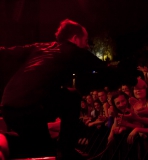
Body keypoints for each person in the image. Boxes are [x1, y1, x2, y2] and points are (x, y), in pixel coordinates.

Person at [1, 19, 107, 159]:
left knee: (42, 148)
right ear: (75, 39)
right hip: (28, 107)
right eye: (85, 40)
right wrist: (132, 79)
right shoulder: (71, 51)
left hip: (8, 105)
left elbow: (9, 52)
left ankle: (8, 143)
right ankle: (67, 149)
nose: (87, 45)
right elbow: (102, 68)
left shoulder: (40, 47)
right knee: (72, 97)